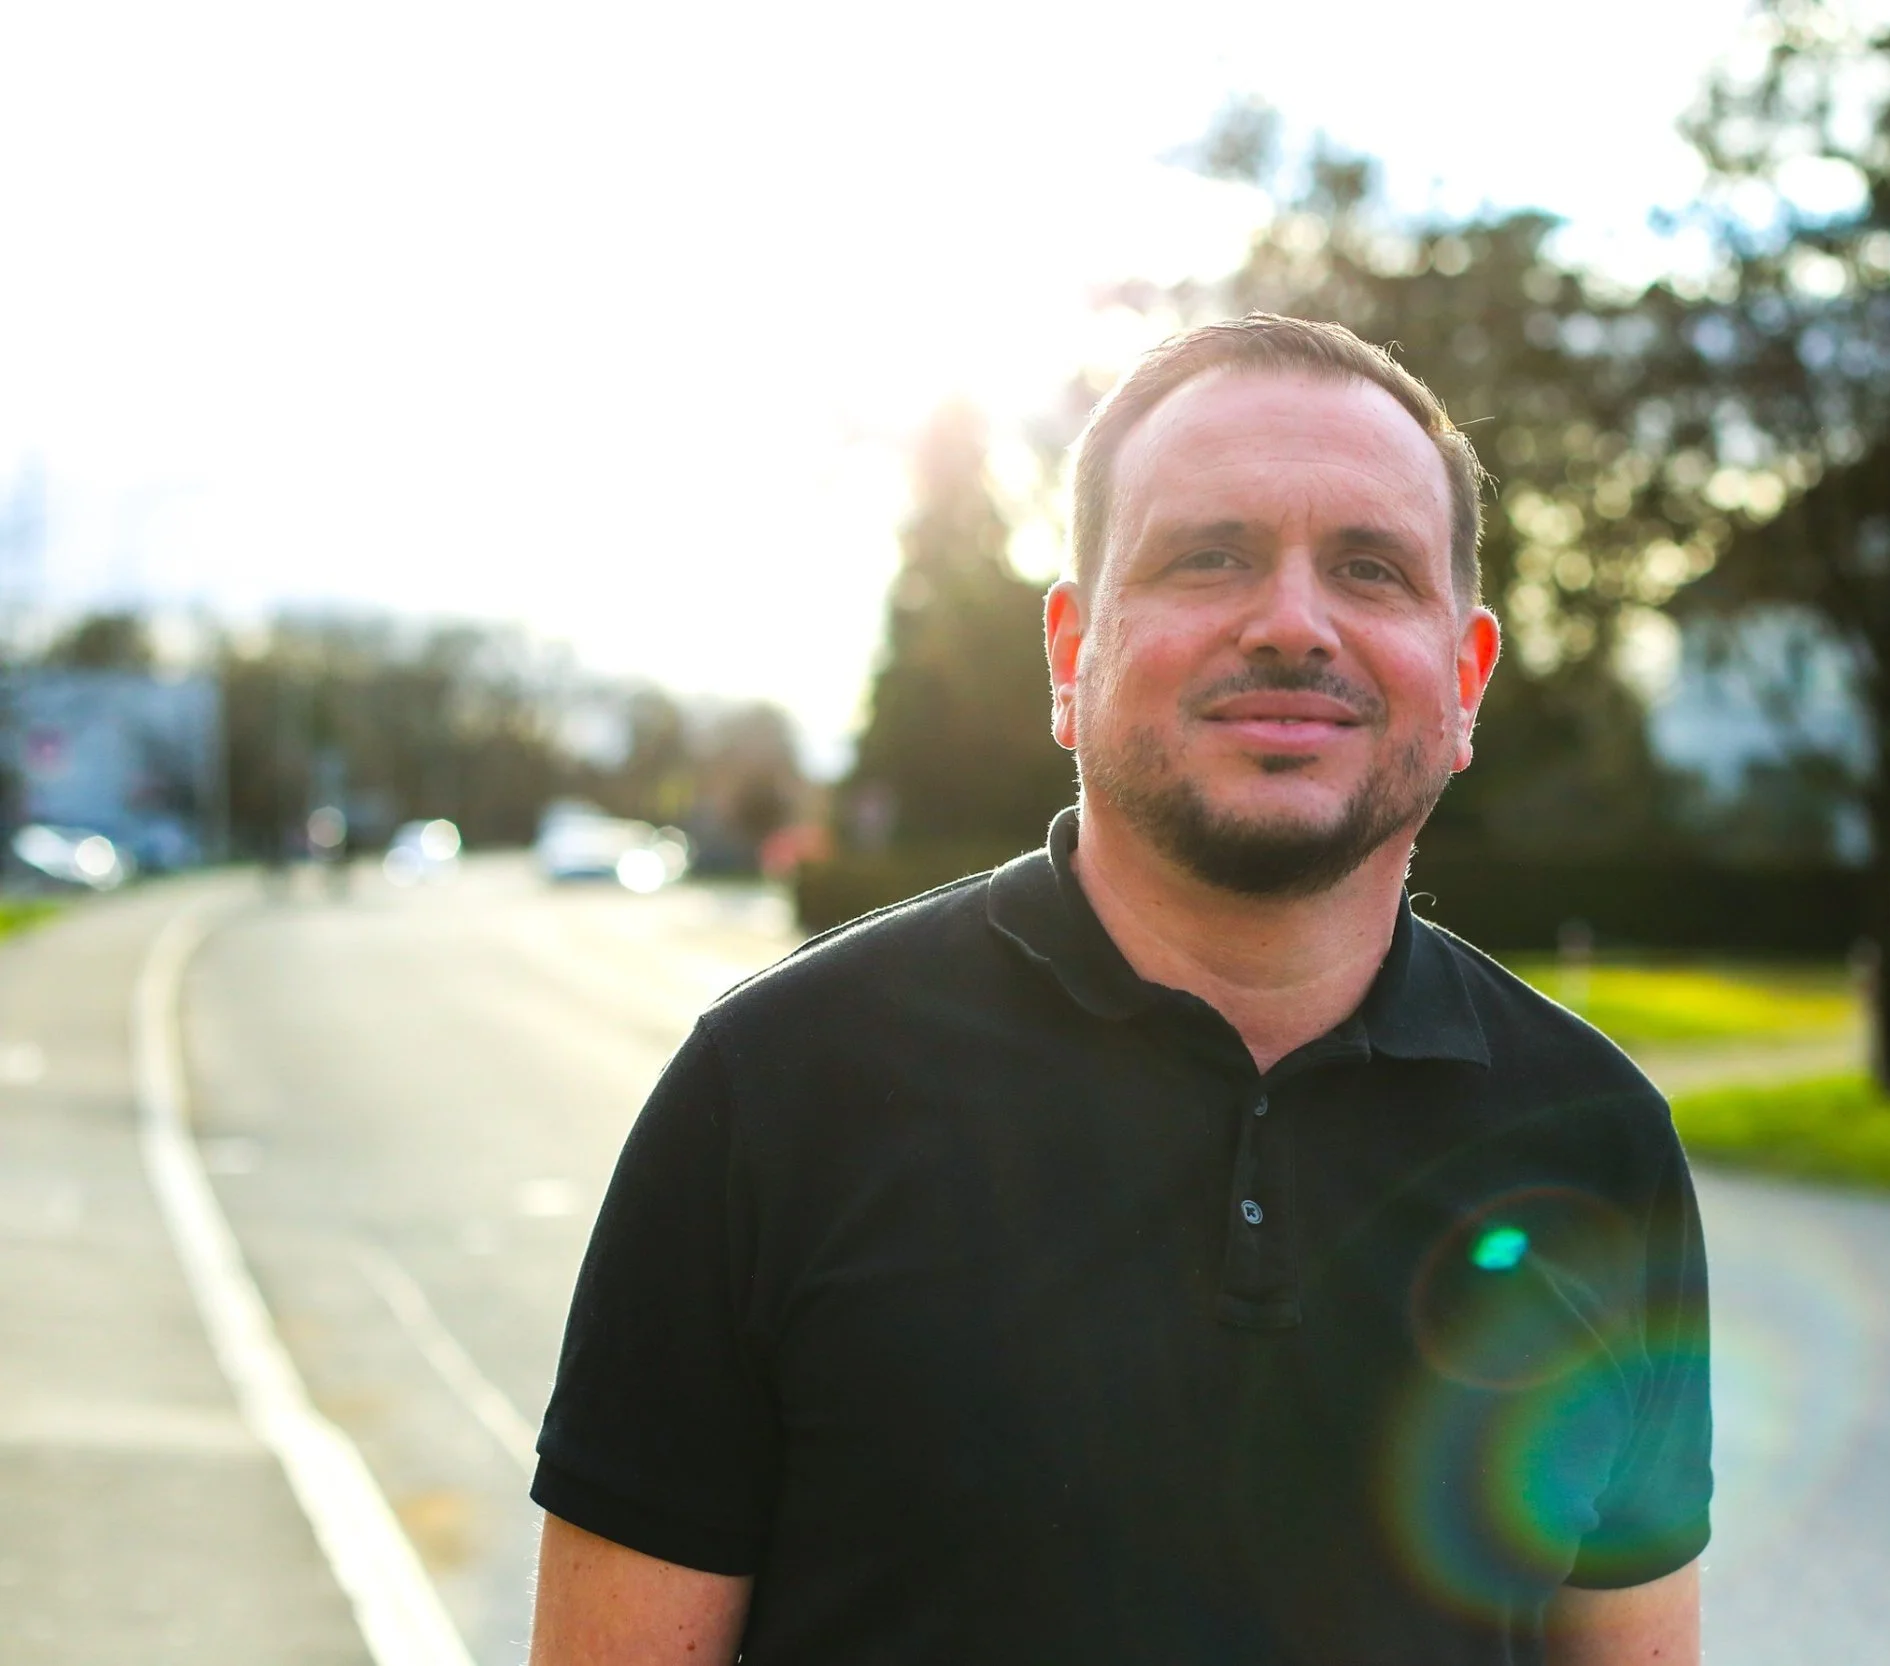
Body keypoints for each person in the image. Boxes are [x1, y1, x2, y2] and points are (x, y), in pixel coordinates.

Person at [527, 315, 1711, 1665]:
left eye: (1370, 568)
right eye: (1209, 556)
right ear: (1069, 652)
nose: (1291, 622)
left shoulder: (1597, 1142)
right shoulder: (770, 1094)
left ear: (1464, 678)